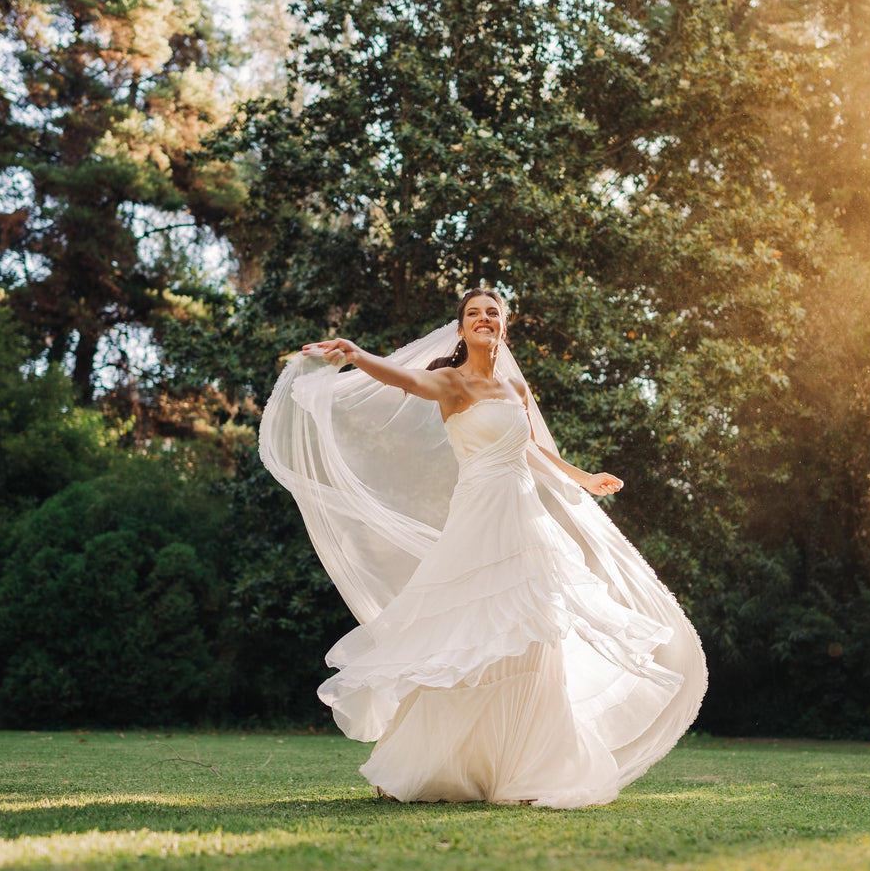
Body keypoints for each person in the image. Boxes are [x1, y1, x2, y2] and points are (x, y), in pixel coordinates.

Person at [260, 289, 706, 808]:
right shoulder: (452, 381)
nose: (483, 319)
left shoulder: (514, 383)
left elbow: (534, 447)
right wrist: (358, 355)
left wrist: (583, 478)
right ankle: (431, 767)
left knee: (537, 635)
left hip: (525, 523)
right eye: (473, 313)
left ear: (504, 325)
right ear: (461, 328)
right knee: (463, 638)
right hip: (477, 519)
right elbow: (406, 379)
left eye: (492, 312)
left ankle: (527, 770)